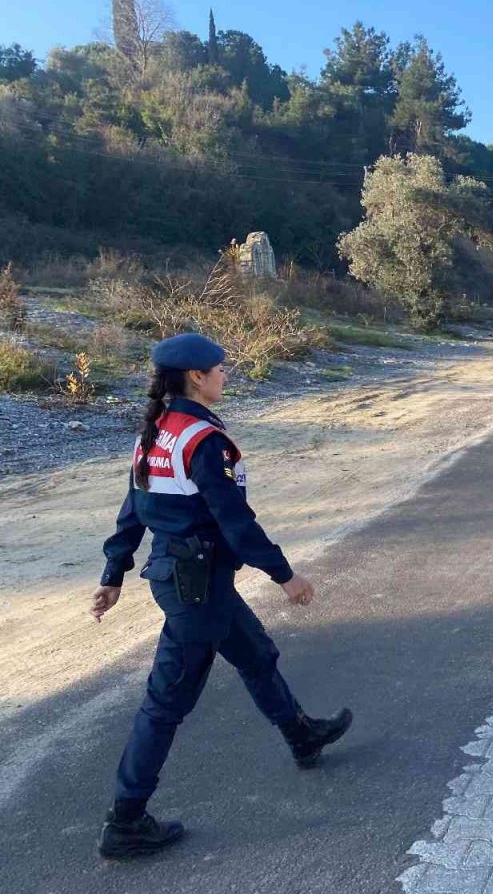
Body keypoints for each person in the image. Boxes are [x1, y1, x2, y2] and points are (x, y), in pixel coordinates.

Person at [89, 332, 353, 859]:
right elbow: (235, 520)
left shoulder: (155, 432)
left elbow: (132, 511)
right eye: (221, 369)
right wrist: (284, 574)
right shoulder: (202, 440)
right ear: (196, 378)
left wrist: (114, 572)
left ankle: (301, 735)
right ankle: (126, 819)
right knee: (165, 705)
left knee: (256, 655)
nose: (225, 376)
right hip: (196, 589)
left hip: (189, 577)